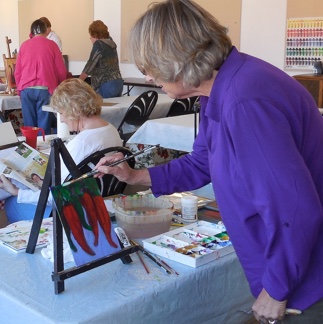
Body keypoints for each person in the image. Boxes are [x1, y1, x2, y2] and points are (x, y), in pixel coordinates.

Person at [94, 1, 323, 323]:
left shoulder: (245, 101)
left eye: (149, 67)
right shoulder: (220, 88)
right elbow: (203, 162)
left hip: (305, 277)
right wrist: (133, 175)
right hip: (283, 262)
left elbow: (295, 211)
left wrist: (276, 290)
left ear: (176, 58)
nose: (146, 76)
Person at [0, 78, 122, 224]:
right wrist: (42, 182)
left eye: (61, 113)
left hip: (70, 211)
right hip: (98, 200)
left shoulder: (81, 143)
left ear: (74, 110)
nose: (62, 119)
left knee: (11, 203)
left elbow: (55, 197)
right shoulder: (111, 130)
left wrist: (16, 192)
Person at [14, 19, 66, 135]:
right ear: (45, 31)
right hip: (45, 90)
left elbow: (17, 71)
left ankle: (31, 149)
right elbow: (61, 71)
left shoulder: (24, 45)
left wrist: (19, 89)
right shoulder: (52, 45)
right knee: (44, 126)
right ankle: (44, 150)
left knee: (29, 126)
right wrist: (60, 88)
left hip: (26, 89)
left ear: (32, 32)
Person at [79, 20, 123, 98]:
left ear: (95, 35)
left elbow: (90, 65)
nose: (90, 38)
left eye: (91, 36)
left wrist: (78, 81)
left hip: (106, 84)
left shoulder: (99, 44)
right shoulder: (110, 42)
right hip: (118, 82)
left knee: (103, 109)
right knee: (114, 109)